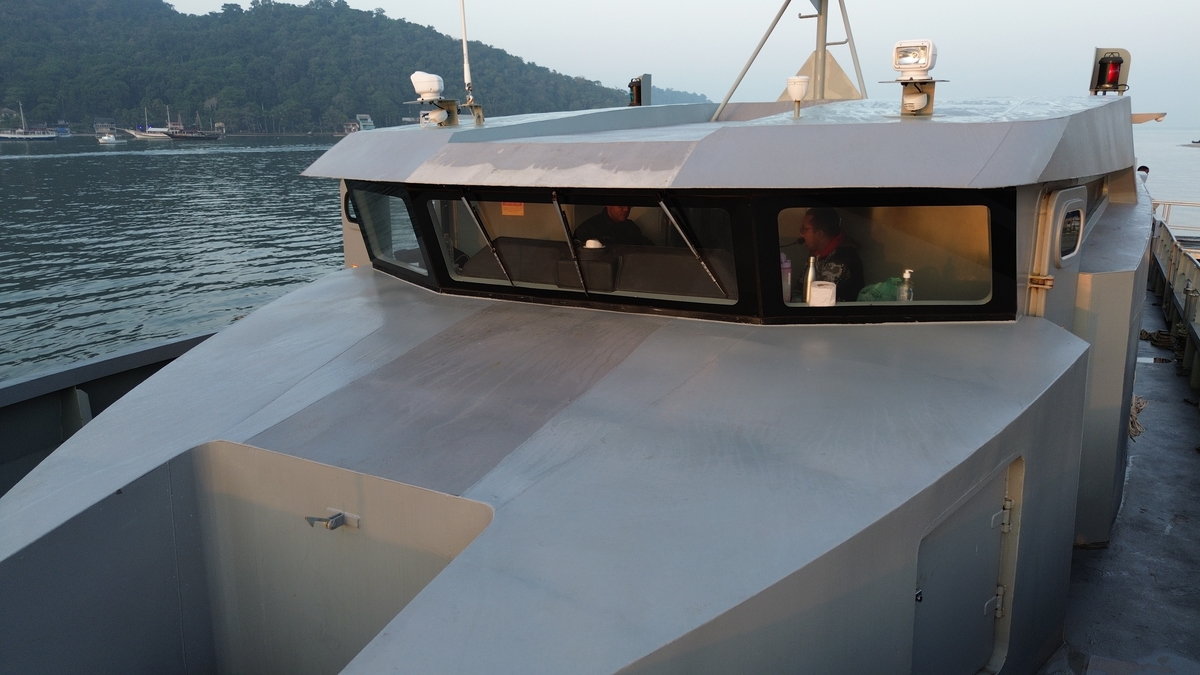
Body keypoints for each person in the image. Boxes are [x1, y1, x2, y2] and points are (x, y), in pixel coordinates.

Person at [798, 207, 864, 302]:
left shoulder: (842, 258)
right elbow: (801, 286)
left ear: (820, 233)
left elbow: (821, 298)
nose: (801, 234)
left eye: (804, 229)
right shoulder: (815, 252)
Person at [573, 206, 653, 247]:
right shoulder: (589, 228)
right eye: (620, 205)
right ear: (608, 204)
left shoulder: (631, 228)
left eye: (629, 205)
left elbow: (648, 251)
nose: (626, 209)